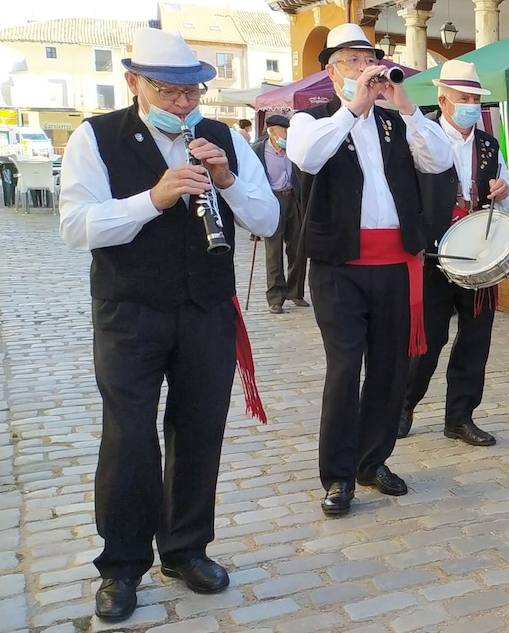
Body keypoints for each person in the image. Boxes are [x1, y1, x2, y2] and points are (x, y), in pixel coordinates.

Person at [57, 27, 278, 622]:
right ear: (134, 83)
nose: (184, 104)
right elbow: (76, 227)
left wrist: (228, 180)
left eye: (193, 92)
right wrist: (152, 199)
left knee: (200, 429)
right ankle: (121, 566)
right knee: (129, 438)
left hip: (205, 309)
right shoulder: (95, 137)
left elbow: (268, 220)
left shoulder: (221, 137)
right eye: (169, 91)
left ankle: (185, 549)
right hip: (130, 310)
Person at [287, 24, 452, 517]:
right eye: (353, 62)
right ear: (331, 70)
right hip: (339, 267)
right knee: (345, 368)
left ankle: (371, 459)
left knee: (389, 368)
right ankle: (337, 475)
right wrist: (353, 107)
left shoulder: (397, 120)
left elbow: (439, 161)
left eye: (368, 60)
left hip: (395, 264)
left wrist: (405, 106)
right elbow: (308, 157)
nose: (365, 70)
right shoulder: (311, 119)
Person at [399, 60, 509, 445]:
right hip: (433, 257)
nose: (470, 104)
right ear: (442, 98)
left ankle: (460, 416)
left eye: (474, 99)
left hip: (477, 255)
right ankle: (403, 405)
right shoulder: (421, 133)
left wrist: (503, 192)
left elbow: (508, 195)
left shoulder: (488, 144)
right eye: (463, 98)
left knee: (475, 339)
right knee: (426, 341)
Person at [253, 113, 309, 314]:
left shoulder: (293, 149)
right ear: (272, 131)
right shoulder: (258, 151)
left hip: (293, 199)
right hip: (272, 200)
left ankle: (295, 292)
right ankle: (276, 298)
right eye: (284, 130)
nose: (287, 134)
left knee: (298, 248)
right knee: (274, 251)